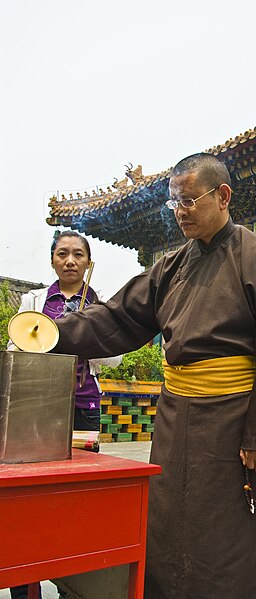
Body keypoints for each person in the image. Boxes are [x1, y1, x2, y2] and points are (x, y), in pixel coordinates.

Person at [53, 153, 256, 598]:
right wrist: (50, 332)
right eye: (173, 203)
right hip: (173, 417)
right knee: (166, 523)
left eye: (188, 200)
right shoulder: (170, 267)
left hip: (231, 420)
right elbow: (115, 318)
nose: (180, 211)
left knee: (228, 534)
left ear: (222, 196)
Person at [9, 230, 122, 599]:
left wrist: (87, 330)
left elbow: (115, 357)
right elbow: (16, 346)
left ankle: (73, 586)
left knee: (78, 497)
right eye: (62, 254)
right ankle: (27, 585)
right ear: (52, 260)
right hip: (37, 410)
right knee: (29, 496)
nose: (70, 261)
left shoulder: (101, 305)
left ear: (89, 262)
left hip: (84, 408)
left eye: (78, 254)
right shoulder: (35, 299)